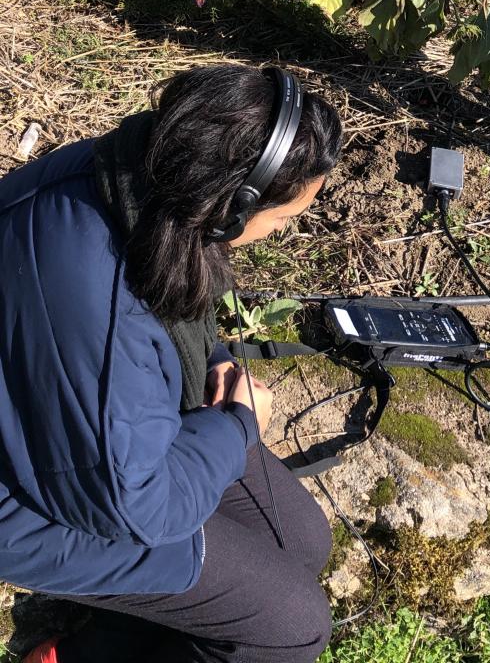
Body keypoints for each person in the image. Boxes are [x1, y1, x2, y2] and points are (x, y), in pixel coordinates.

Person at [0, 63, 343, 663]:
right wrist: (237, 426)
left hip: (61, 430)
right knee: (294, 624)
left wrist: (207, 360)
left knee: (304, 539)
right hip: (25, 498)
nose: (282, 232)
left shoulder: (133, 175)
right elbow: (140, 505)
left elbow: (158, 316)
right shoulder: (106, 313)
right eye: (284, 218)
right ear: (234, 206)